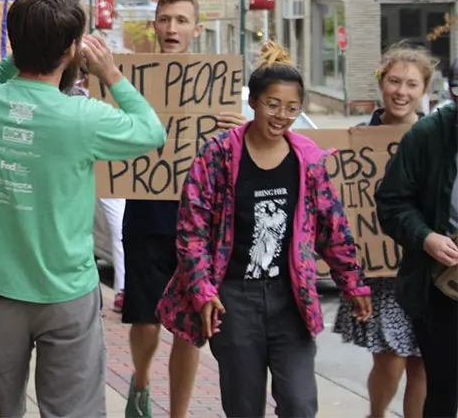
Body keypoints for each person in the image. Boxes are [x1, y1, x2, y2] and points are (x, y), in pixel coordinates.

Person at [0, 0, 167, 418]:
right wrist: (111, 74)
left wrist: (27, 48)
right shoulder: (83, 118)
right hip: (67, 292)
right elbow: (151, 132)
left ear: (14, 43)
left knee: (1, 410)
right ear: (72, 48)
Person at [156, 42, 372, 418]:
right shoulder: (218, 155)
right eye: (273, 105)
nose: (281, 116)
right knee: (243, 405)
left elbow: (332, 227)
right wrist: (204, 291)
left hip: (292, 296)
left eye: (292, 109)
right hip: (233, 299)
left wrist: (352, 283)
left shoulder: (308, 160)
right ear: (253, 103)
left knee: (300, 403)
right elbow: (192, 232)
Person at [121, 0, 245, 418]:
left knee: (189, 326)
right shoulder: (128, 83)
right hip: (144, 211)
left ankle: (178, 412)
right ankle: (139, 380)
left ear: (196, 28)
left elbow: (248, 151)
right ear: (154, 25)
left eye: (181, 20)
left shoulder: (220, 87)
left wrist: (241, 129)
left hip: (198, 221)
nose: (172, 28)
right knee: (144, 318)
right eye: (165, 19)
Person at [333, 45, 437, 418]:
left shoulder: (436, 139)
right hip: (379, 271)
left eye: (412, 84)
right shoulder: (355, 140)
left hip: (426, 266)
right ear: (381, 83)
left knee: (423, 362)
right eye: (395, 81)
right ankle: (376, 414)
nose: (402, 92)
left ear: (424, 89)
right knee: (390, 357)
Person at [376, 58, 458, 418]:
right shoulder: (427, 136)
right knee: (442, 388)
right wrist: (426, 238)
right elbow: (392, 203)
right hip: (441, 285)